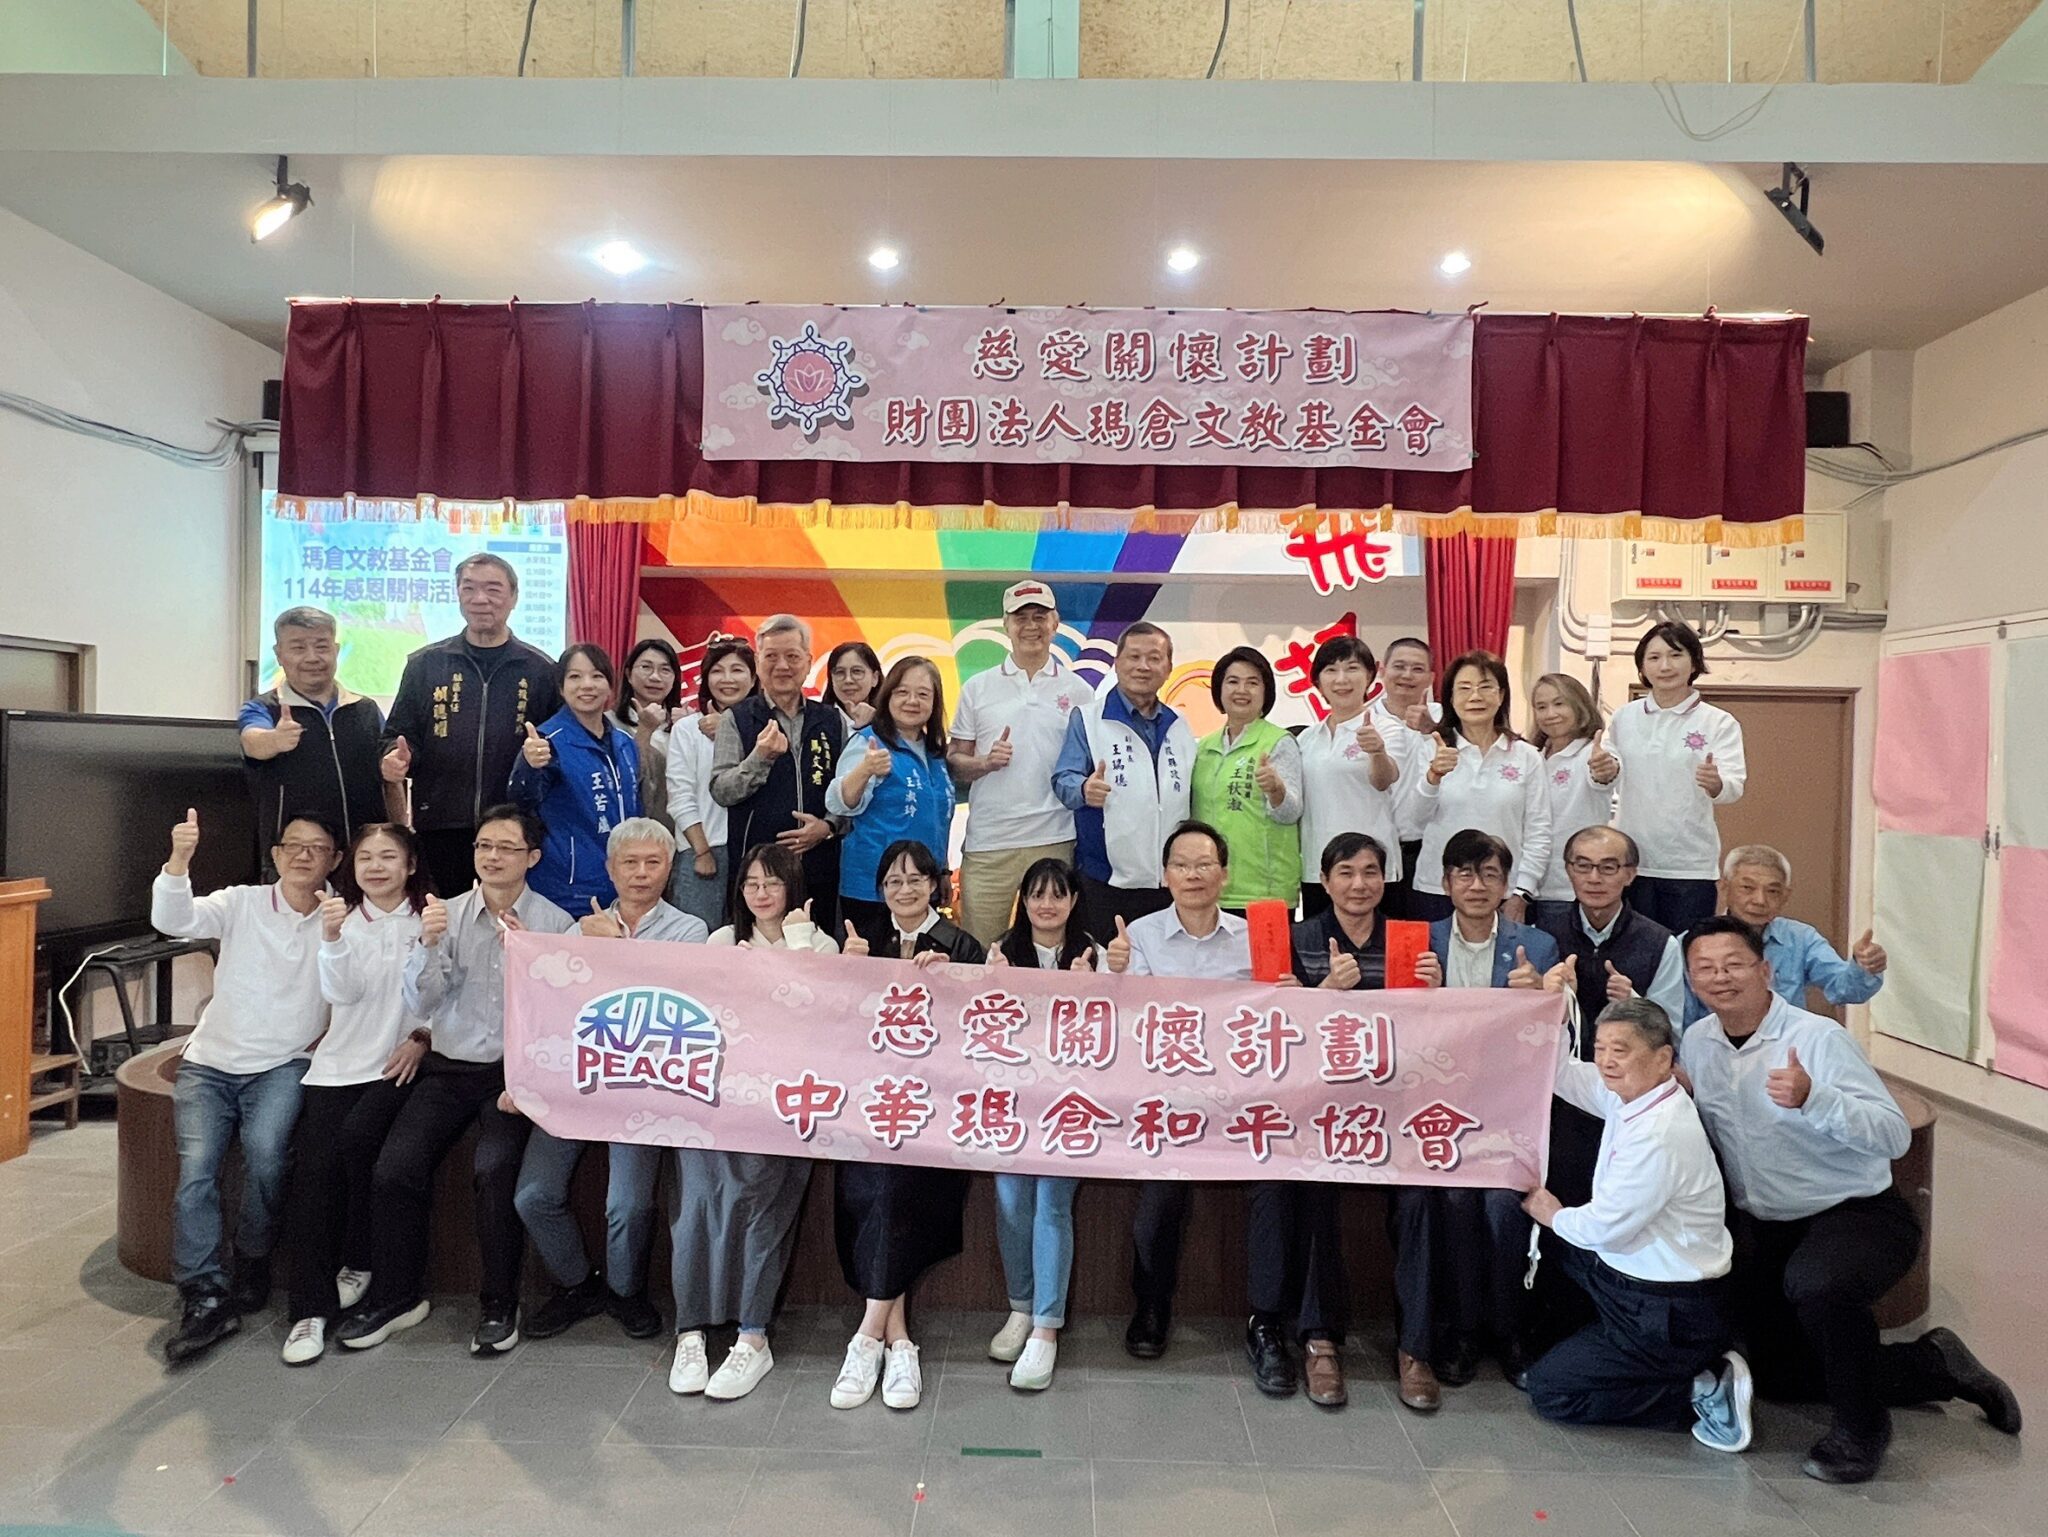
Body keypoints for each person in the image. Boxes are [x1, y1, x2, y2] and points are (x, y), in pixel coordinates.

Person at [1682, 916, 2020, 1482]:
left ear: (1766, 971)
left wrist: (1815, 1098)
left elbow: (1892, 1135)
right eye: (1705, 969)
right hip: (1767, 1225)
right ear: (1691, 981)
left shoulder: (1819, 1040)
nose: (1721, 977)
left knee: (1820, 1286)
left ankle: (1861, 1431)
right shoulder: (1698, 1043)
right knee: (1778, 1374)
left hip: (1856, 1212)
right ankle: (1936, 1364)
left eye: (1734, 964)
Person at [333, 806, 575, 1357]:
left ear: (533, 858)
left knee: (494, 1171)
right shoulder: (443, 914)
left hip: (513, 1074)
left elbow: (558, 1016)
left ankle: (499, 1304)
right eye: (484, 846)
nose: (492, 856)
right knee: (395, 1167)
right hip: (449, 1065)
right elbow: (423, 1001)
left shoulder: (557, 924)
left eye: (507, 848)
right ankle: (398, 1296)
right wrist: (428, 946)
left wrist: (531, 961)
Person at [1519, 998, 1753, 1452]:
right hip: (1634, 1280)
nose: (1606, 1061)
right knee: (1556, 1256)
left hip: (1666, 1307)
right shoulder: (1634, 1094)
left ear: (1663, 1058)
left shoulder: (1661, 1134)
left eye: (1620, 1051)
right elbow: (1563, 1075)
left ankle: (1700, 1387)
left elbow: (1604, 1228)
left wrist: (1551, 1213)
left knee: (1552, 1391)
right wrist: (1557, 1015)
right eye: (1601, 1048)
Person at [152, 808, 338, 1364]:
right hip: (210, 1063)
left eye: (317, 847)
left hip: (283, 1063)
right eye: (293, 845)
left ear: (334, 860)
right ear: (276, 855)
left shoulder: (341, 917)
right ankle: (204, 1291)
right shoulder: (242, 903)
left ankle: (253, 1256)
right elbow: (175, 920)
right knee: (197, 1170)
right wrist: (180, 859)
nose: (303, 855)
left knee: (266, 1155)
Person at [511, 819, 705, 1346]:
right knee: (532, 1195)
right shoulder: (581, 930)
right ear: (610, 868)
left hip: (642, 1084)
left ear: (670, 869)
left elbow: (669, 1008)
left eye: (653, 862)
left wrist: (611, 953)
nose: (641, 873)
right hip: (579, 1079)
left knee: (628, 1205)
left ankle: (624, 1292)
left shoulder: (691, 931)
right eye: (630, 862)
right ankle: (579, 1284)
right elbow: (555, 1007)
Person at [673, 844, 838, 1402]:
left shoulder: (820, 944)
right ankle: (690, 1332)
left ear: (793, 887)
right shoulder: (721, 942)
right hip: (715, 1100)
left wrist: (794, 947)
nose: (760, 894)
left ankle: (752, 1335)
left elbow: (816, 1014)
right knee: (696, 1208)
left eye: (772, 882)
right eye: (750, 883)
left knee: (763, 1210)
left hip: (784, 1102)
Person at [1292, 832, 1445, 1411]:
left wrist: (1438, 994)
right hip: (1319, 1108)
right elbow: (1275, 1031)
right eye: (1346, 873)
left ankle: (1415, 1349)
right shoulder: (1298, 939)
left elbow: (1435, 1035)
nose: (1359, 885)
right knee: (1311, 1190)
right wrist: (1325, 992)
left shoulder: (1413, 940)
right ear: (1324, 881)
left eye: (1371, 873)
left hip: (1397, 1111)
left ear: (1386, 879)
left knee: (1421, 1196)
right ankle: (1320, 1341)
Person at [830, 840, 984, 1411]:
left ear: (935, 885)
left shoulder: (961, 944)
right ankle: (897, 1342)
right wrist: (847, 973)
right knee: (876, 1187)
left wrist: (955, 982)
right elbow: (834, 1025)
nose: (904, 890)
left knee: (899, 1187)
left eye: (916, 879)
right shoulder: (861, 940)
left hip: (935, 1112)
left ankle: (867, 1336)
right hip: (866, 1107)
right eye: (893, 881)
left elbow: (980, 1030)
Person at [1411, 828, 1560, 1388]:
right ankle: (1464, 1331)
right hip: (1437, 1112)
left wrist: (1540, 996)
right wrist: (1416, 993)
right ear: (1446, 882)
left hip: (1507, 1112)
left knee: (1502, 1207)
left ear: (1505, 885)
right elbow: (1393, 1031)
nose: (1477, 886)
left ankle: (1510, 1330)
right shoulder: (1419, 941)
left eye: (1490, 874)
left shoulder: (1536, 947)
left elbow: (1556, 1038)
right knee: (1453, 1202)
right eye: (1465, 874)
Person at [282, 822, 432, 1366]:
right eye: (366, 856)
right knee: (312, 1176)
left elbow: (444, 997)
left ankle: (361, 1260)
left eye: (389, 856)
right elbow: (340, 993)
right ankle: (309, 1312)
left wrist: (422, 1037)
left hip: (399, 1068)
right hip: (336, 1067)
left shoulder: (430, 919)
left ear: (409, 866)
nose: (376, 866)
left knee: (360, 1145)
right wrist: (332, 939)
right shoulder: (341, 919)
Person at [1103, 820, 1247, 1363]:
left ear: (1224, 874)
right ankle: (1151, 1305)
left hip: (1240, 1096)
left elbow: (1282, 1015)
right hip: (1164, 1096)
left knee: (1279, 1185)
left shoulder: (1256, 938)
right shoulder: (1137, 936)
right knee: (1162, 1188)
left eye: (1204, 864)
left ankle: (1267, 1319)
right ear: (1165, 876)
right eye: (1182, 865)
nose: (1193, 874)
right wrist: (1115, 975)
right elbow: (1125, 1023)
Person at [380, 553, 561, 897]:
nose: (480, 599)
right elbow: (398, 735)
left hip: (512, 827)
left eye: (493, 589)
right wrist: (395, 758)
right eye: (469, 588)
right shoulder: (425, 665)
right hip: (440, 821)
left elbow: (557, 747)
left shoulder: (540, 670)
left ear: (514, 597)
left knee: (507, 916)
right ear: (458, 594)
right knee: (441, 916)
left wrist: (545, 757)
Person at [984, 857, 1097, 1391]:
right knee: (1011, 1202)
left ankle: (1047, 1329)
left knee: (1052, 1202)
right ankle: (1021, 1308)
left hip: (1069, 1105)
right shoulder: (1001, 953)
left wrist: (1097, 987)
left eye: (1057, 894)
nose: (1046, 905)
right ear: (1023, 901)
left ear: (1073, 901)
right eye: (1036, 894)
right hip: (1011, 1102)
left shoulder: (1094, 954)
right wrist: (993, 982)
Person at [947, 581, 1080, 944]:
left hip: (1055, 838)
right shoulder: (978, 687)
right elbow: (955, 761)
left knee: (1053, 947)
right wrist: (985, 763)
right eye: (1021, 618)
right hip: (990, 841)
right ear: (1006, 625)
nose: (1031, 626)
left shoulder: (1080, 691)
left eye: (1040, 616)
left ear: (1055, 623)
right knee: (980, 947)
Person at [1052, 623, 1194, 939]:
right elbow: (1063, 779)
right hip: (1106, 879)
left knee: (1166, 964)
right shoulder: (1088, 718)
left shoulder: (1179, 724)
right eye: (1134, 657)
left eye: (1154, 658)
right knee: (1108, 963)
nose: (1143, 666)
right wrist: (1084, 789)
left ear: (1168, 667)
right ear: (1117, 663)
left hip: (1170, 880)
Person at [709, 614, 848, 935]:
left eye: (792, 656)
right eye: (771, 656)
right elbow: (721, 789)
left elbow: (848, 793)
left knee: (817, 948)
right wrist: (760, 758)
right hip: (758, 872)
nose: (782, 666)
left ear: (808, 662)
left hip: (818, 865)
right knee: (755, 950)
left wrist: (827, 827)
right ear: (758, 663)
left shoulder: (831, 719)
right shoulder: (737, 718)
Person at [1607, 620, 1746, 933]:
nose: (1665, 666)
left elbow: (1734, 785)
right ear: (1642, 667)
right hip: (1632, 862)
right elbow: (1606, 774)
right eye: (1654, 657)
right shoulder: (1624, 717)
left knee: (1687, 951)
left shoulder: (1718, 722)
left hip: (1690, 867)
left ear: (1694, 663)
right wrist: (1603, 770)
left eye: (1675, 655)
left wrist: (1717, 784)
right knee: (1635, 951)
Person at [239, 606, 402, 860]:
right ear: (279, 655)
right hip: (297, 859)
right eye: (298, 648)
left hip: (364, 858)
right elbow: (252, 742)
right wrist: (275, 740)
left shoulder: (365, 709)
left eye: (322, 647)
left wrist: (402, 834)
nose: (312, 657)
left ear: (336, 651)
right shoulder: (264, 708)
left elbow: (390, 780)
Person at [1409, 651, 1552, 925]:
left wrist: (1522, 892)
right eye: (1464, 688)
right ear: (1451, 698)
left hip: (1504, 891)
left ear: (1501, 696)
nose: (1475, 696)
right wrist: (1433, 776)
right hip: (1438, 889)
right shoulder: (1431, 748)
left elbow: (1539, 830)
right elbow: (1414, 821)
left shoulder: (1526, 756)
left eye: (1485, 687)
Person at [1682, 844, 1887, 1024]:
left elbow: (1845, 989)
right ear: (1724, 888)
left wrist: (1863, 967)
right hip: (1715, 1048)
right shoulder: (1693, 943)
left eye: (1772, 891)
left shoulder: (1800, 938)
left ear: (1786, 896)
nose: (1760, 900)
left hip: (1786, 1048)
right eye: (1747, 888)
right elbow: (1682, 1017)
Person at [826, 656, 957, 935]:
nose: (912, 701)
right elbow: (840, 803)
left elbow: (936, 820)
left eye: (923, 694)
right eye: (902, 692)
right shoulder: (869, 741)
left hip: (923, 887)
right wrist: (865, 770)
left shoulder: (934, 752)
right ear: (887, 696)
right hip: (873, 889)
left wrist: (943, 871)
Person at [507, 643, 642, 913]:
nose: (586, 685)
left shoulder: (625, 742)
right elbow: (521, 801)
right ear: (561, 688)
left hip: (623, 884)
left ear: (610, 686)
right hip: (567, 887)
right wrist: (530, 766)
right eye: (575, 677)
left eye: (597, 676)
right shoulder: (546, 741)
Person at [1191, 645, 1303, 913]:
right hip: (1210, 889)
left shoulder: (1278, 741)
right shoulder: (1204, 747)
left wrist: (1276, 790)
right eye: (1233, 682)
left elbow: (1290, 813)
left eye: (1252, 683)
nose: (1241, 690)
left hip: (1264, 892)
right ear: (1219, 689)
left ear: (1266, 692)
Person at [1297, 636, 1403, 918]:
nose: (1341, 679)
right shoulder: (1306, 739)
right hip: (1319, 869)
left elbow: (1384, 779)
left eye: (1352, 668)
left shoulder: (1387, 728)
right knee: (1320, 943)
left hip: (1370, 869)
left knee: (1378, 944)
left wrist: (1377, 751)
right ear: (1317, 682)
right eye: (1331, 670)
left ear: (1369, 675)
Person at [665, 633, 758, 932]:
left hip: (755, 850)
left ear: (753, 679)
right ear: (705, 680)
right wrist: (702, 851)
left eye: (737, 670)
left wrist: (732, 731)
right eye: (718, 671)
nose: (727, 679)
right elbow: (680, 796)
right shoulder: (687, 729)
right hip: (705, 850)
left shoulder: (768, 729)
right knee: (697, 939)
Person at [1527, 672, 1620, 932]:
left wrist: (1604, 769)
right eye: (1541, 707)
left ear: (1579, 706)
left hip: (1568, 890)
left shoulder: (1593, 752)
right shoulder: (1531, 756)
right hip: (1525, 886)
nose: (1550, 714)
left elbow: (1605, 774)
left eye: (1559, 703)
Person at [1368, 636, 1440, 918]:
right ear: (1382, 670)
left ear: (1431, 678)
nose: (1407, 675)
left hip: (1431, 850)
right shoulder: (1364, 720)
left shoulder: (1446, 719)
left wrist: (1432, 730)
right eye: (1399, 666)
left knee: (1427, 935)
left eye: (1417, 669)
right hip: (1376, 851)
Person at [617, 637, 682, 842]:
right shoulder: (609, 725)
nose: (655, 677)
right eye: (646, 667)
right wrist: (645, 730)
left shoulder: (685, 726)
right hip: (626, 837)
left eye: (665, 670)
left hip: (678, 837)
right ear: (628, 674)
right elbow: (625, 782)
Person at [825, 639, 883, 735]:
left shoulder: (891, 723)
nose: (848, 680)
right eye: (840, 672)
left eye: (857, 671)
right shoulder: (816, 721)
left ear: (875, 678)